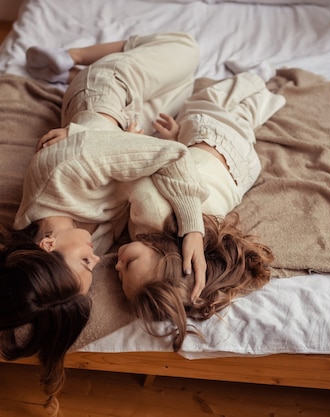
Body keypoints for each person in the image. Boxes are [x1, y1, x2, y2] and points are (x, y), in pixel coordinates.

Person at [0, 32, 207, 416]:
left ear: (46, 245)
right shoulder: (72, 236)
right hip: (120, 126)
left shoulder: (63, 172)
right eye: (92, 269)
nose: (99, 261)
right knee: (189, 90)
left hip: (108, 89)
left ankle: (74, 56)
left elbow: (173, 157)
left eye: (84, 263)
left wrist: (193, 228)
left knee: (187, 48)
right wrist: (124, 144)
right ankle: (80, 71)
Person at [115, 72, 284, 350]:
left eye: (120, 273)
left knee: (245, 120)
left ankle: (268, 98)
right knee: (204, 100)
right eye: (127, 265)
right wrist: (135, 140)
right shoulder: (151, 213)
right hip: (214, 140)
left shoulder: (208, 239)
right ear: (165, 257)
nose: (117, 264)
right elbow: (140, 163)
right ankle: (257, 77)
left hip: (244, 169)